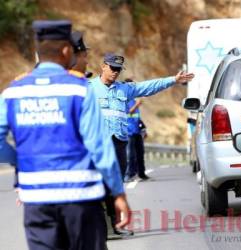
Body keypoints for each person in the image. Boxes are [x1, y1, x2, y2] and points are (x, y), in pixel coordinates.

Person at [0, 20, 130, 250]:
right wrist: (118, 193)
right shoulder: (80, 89)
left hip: (37, 200)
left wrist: (19, 160)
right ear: (66, 50)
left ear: (37, 51)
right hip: (81, 198)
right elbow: (99, 147)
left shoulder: (13, 91)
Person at [89, 53, 194, 236]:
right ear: (103, 66)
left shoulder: (124, 89)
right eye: (112, 68)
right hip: (97, 145)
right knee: (98, 185)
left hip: (119, 143)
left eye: (118, 70)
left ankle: (114, 226)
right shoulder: (89, 88)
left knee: (116, 186)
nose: (115, 72)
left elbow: (148, 87)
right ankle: (99, 226)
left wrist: (173, 80)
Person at [124, 79, 149, 182]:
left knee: (140, 153)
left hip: (137, 131)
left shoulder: (134, 100)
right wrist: (136, 105)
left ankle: (141, 174)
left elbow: (137, 117)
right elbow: (127, 113)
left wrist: (143, 129)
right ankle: (128, 175)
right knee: (130, 155)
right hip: (128, 131)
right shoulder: (123, 100)